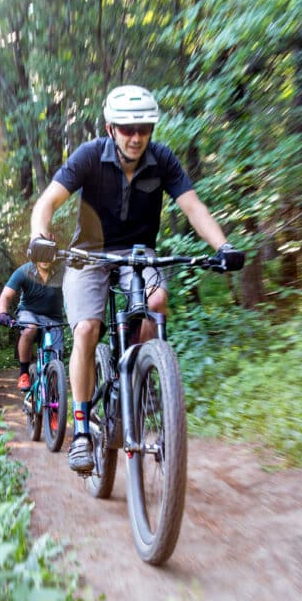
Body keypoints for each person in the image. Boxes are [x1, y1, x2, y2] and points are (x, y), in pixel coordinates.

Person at [28, 84, 244, 473]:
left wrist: (223, 246)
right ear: (110, 128)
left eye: (143, 127)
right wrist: (41, 237)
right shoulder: (90, 157)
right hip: (88, 255)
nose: (136, 136)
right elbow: (47, 202)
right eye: (127, 128)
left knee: (157, 302)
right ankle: (80, 430)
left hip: (138, 255)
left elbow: (193, 207)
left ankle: (137, 373)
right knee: (86, 329)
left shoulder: (162, 160)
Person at [0, 259, 65, 391]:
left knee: (56, 363)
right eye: (41, 254)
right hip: (28, 313)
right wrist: (3, 313)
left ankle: (54, 404)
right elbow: (5, 296)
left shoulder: (62, 271)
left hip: (53, 318)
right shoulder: (24, 271)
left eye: (48, 255)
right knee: (30, 328)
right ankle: (24, 373)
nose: (45, 259)